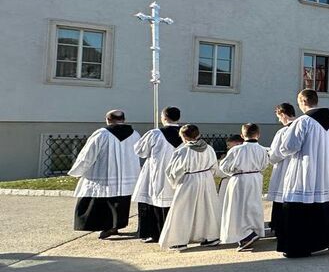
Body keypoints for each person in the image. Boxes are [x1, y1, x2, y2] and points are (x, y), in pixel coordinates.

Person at [274, 89, 329, 258]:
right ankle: (326, 239)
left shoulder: (303, 121)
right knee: (322, 205)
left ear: (303, 102)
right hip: (324, 171)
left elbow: (289, 147)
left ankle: (298, 247)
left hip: (305, 170)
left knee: (297, 208)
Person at [69, 110, 140, 239]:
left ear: (107, 119)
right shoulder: (135, 135)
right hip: (127, 175)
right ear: (123, 119)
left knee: (101, 202)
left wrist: (77, 171)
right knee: (120, 203)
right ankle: (115, 226)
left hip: (104, 175)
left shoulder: (102, 134)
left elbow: (87, 156)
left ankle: (107, 227)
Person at [159, 124, 221, 250]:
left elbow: (173, 171)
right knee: (206, 208)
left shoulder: (183, 151)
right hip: (206, 179)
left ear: (184, 137)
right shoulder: (208, 148)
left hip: (189, 181)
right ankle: (210, 236)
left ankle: (179, 240)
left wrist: (175, 183)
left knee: (183, 210)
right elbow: (214, 167)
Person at [131, 106, 182, 243]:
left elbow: (140, 151)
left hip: (157, 172)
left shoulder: (155, 133)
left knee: (154, 201)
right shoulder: (187, 133)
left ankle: (154, 234)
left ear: (164, 118)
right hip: (180, 174)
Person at [218, 123, 269, 251]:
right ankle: (253, 230)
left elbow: (223, 166)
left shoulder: (236, 150)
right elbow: (265, 165)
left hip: (239, 179)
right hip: (255, 178)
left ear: (242, 135)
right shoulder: (263, 149)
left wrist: (233, 172)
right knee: (253, 205)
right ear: (259, 134)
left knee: (238, 208)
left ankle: (246, 235)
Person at [265, 103, 296, 238]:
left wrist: (269, 156)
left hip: (284, 168)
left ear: (283, 114)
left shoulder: (283, 132)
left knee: (281, 198)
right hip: (297, 167)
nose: (279, 120)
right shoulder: (304, 126)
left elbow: (276, 154)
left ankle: (279, 226)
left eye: (279, 117)